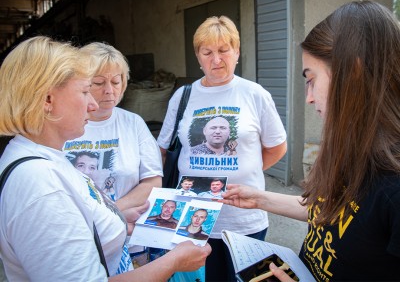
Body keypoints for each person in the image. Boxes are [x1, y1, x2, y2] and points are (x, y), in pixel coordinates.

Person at [0, 36, 211, 281]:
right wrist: (173, 262)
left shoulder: (45, 161)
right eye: (85, 90)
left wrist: (116, 218)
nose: (94, 103)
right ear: (48, 100)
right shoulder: (41, 187)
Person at [220, 1, 400, 281]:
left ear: (351, 72)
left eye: (311, 79)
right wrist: (260, 198)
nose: (309, 97)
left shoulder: (393, 183)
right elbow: (327, 211)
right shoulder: (353, 146)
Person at [158, 15, 287, 281]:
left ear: (237, 52)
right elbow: (163, 150)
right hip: (193, 217)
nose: (216, 60)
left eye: (223, 50)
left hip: (244, 219)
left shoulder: (255, 94)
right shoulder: (183, 96)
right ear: (198, 56)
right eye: (208, 52)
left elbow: (277, 147)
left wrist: (244, 172)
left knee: (248, 278)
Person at [62, 42, 163, 260]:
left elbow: (153, 182)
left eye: (116, 81)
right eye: (98, 83)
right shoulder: (64, 125)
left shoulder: (133, 124)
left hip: (129, 240)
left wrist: (111, 211)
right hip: (80, 240)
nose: (110, 90)